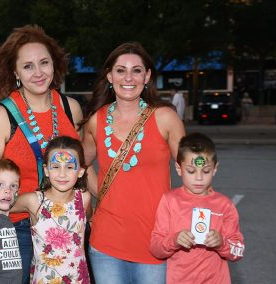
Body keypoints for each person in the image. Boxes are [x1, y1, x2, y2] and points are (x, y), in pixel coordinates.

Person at [0, 25, 83, 284]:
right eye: (28, 66)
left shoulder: (72, 109)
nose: (38, 73)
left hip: (64, 224)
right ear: (16, 72)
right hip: (16, 227)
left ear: (54, 65)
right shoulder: (1, 117)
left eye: (44, 63)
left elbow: (84, 168)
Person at [81, 42, 185, 283]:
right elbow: (79, 167)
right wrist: (101, 195)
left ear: (147, 76)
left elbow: (193, 168)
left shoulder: (166, 117)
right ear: (109, 75)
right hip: (106, 242)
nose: (128, 77)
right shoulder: (96, 120)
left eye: (136, 70)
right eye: (120, 70)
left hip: (155, 242)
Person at [150, 132, 245, 284]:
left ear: (215, 169)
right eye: (191, 171)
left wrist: (222, 243)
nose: (199, 178)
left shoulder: (224, 205)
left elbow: (238, 251)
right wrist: (174, 240)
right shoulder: (170, 201)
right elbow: (155, 248)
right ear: (179, 168)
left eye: (206, 171)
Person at [11, 136, 92, 283]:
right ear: (46, 170)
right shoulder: (34, 201)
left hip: (78, 279)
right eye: (55, 167)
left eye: (69, 167)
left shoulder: (84, 199)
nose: (62, 174)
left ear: (80, 171)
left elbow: (89, 218)